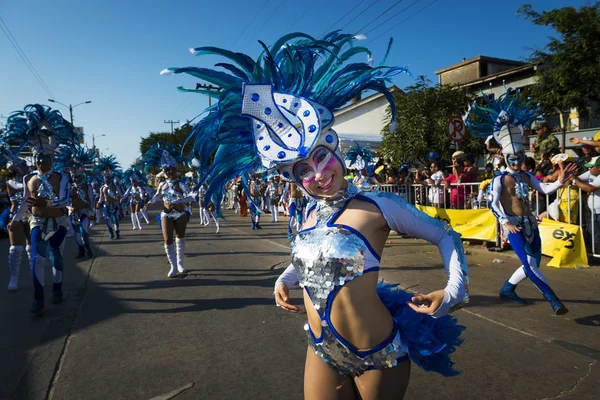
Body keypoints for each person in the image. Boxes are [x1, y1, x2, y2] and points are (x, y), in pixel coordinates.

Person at [165, 32, 466, 398]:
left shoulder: (377, 206)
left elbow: (445, 235)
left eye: (321, 158)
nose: (318, 175)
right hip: (321, 348)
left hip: (376, 352)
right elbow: (311, 259)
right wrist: (285, 279)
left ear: (334, 147)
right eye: (303, 170)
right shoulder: (307, 213)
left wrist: (453, 291)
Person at [466, 88, 576, 315]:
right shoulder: (500, 178)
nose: (516, 161)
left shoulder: (526, 176)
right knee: (529, 264)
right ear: (505, 157)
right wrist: (505, 222)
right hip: (513, 226)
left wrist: (560, 182)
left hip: (530, 223)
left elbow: (544, 188)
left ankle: (507, 289)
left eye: (520, 157)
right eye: (512, 158)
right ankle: (553, 299)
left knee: (534, 262)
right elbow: (493, 203)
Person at [4, 104, 79, 313]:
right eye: (37, 158)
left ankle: (57, 288)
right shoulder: (28, 177)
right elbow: (25, 203)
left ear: (52, 159)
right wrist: (17, 219)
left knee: (56, 256)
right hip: (37, 222)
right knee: (37, 258)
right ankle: (38, 298)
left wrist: (46, 203)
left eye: (45, 158)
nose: (40, 162)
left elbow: (64, 201)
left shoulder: (62, 177)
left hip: (59, 223)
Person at [143, 142, 196, 278]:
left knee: (180, 238)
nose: (170, 171)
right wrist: (150, 202)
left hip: (180, 214)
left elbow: (192, 196)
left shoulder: (181, 184)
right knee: (167, 240)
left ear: (176, 170)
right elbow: (157, 195)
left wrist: (179, 201)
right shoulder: (162, 184)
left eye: (172, 169)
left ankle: (180, 264)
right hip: (166, 214)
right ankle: (172, 266)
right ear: (164, 171)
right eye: (167, 170)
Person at [54, 145, 96, 258]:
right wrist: (68, 208)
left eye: (78, 176)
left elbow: (91, 200)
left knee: (84, 233)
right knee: (77, 236)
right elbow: (65, 200)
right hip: (72, 214)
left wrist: (92, 212)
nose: (76, 179)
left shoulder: (87, 187)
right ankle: (81, 250)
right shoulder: (68, 187)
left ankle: (88, 248)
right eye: (74, 177)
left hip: (84, 212)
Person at [0, 141, 32, 290]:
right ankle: (14, 278)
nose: (23, 166)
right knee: (16, 249)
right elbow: (22, 186)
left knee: (32, 248)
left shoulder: (31, 178)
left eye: (24, 164)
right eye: (20, 165)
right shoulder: (11, 182)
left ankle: (35, 276)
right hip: (16, 216)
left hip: (31, 215)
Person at [570, 156, 600, 253]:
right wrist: (574, 178)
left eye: (591, 167)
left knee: (596, 236)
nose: (589, 169)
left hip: (599, 212)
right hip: (594, 212)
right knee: (594, 235)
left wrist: (574, 179)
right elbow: (579, 179)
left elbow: (589, 188)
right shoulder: (592, 173)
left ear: (599, 167)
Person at [94, 156, 122, 239]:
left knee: (115, 219)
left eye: (109, 178)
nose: (107, 180)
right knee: (107, 219)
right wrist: (99, 203)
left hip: (114, 204)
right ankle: (111, 232)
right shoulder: (102, 188)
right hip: (106, 205)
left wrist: (118, 197)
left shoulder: (115, 186)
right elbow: (101, 197)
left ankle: (117, 232)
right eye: (106, 179)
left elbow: (119, 194)